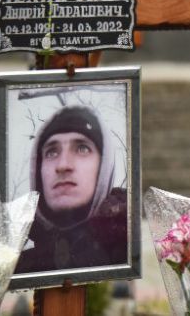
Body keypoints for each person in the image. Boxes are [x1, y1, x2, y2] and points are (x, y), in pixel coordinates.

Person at [16, 105, 128, 273]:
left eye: (82, 148)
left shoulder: (128, 252)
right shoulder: (16, 266)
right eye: (52, 152)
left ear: (104, 167)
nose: (62, 165)